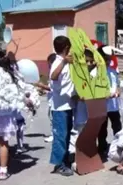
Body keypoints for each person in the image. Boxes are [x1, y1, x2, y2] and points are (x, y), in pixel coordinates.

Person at [0, 49, 37, 180]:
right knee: (3, 143)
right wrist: (28, 101)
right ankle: (3, 171)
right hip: (4, 114)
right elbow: (18, 92)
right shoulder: (9, 75)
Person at [49, 36, 75, 176]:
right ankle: (59, 165)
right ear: (66, 48)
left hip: (68, 104)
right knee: (60, 136)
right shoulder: (57, 62)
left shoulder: (67, 62)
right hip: (59, 107)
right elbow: (53, 76)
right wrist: (64, 62)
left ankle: (65, 161)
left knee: (66, 136)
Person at [96, 46, 122, 157]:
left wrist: (117, 91)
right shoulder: (95, 72)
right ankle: (102, 148)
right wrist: (104, 95)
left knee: (117, 127)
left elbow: (117, 84)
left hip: (114, 105)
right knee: (102, 129)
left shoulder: (113, 71)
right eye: (105, 59)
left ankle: (119, 146)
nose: (107, 61)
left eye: (109, 59)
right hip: (102, 105)